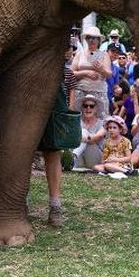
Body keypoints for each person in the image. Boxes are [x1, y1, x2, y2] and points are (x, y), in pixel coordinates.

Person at [37, 42, 81, 227]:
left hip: (53, 114)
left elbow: (70, 99)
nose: (68, 50)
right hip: (28, 110)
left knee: (52, 153)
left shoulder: (66, 73)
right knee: (22, 153)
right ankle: (16, 200)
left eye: (70, 46)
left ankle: (55, 205)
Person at [71, 26, 112, 119]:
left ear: (98, 40)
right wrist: (85, 73)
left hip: (99, 93)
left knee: (101, 120)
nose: (92, 40)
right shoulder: (79, 54)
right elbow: (71, 73)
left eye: (94, 38)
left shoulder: (104, 55)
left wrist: (102, 69)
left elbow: (109, 74)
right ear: (85, 39)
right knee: (80, 120)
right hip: (81, 92)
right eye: (89, 37)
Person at [72, 94, 106, 170]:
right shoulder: (77, 122)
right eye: (85, 106)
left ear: (96, 109)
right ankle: (73, 158)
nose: (88, 108)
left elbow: (98, 137)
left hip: (94, 158)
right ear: (82, 108)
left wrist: (81, 138)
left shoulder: (103, 123)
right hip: (80, 158)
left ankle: (73, 156)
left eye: (91, 106)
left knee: (84, 133)